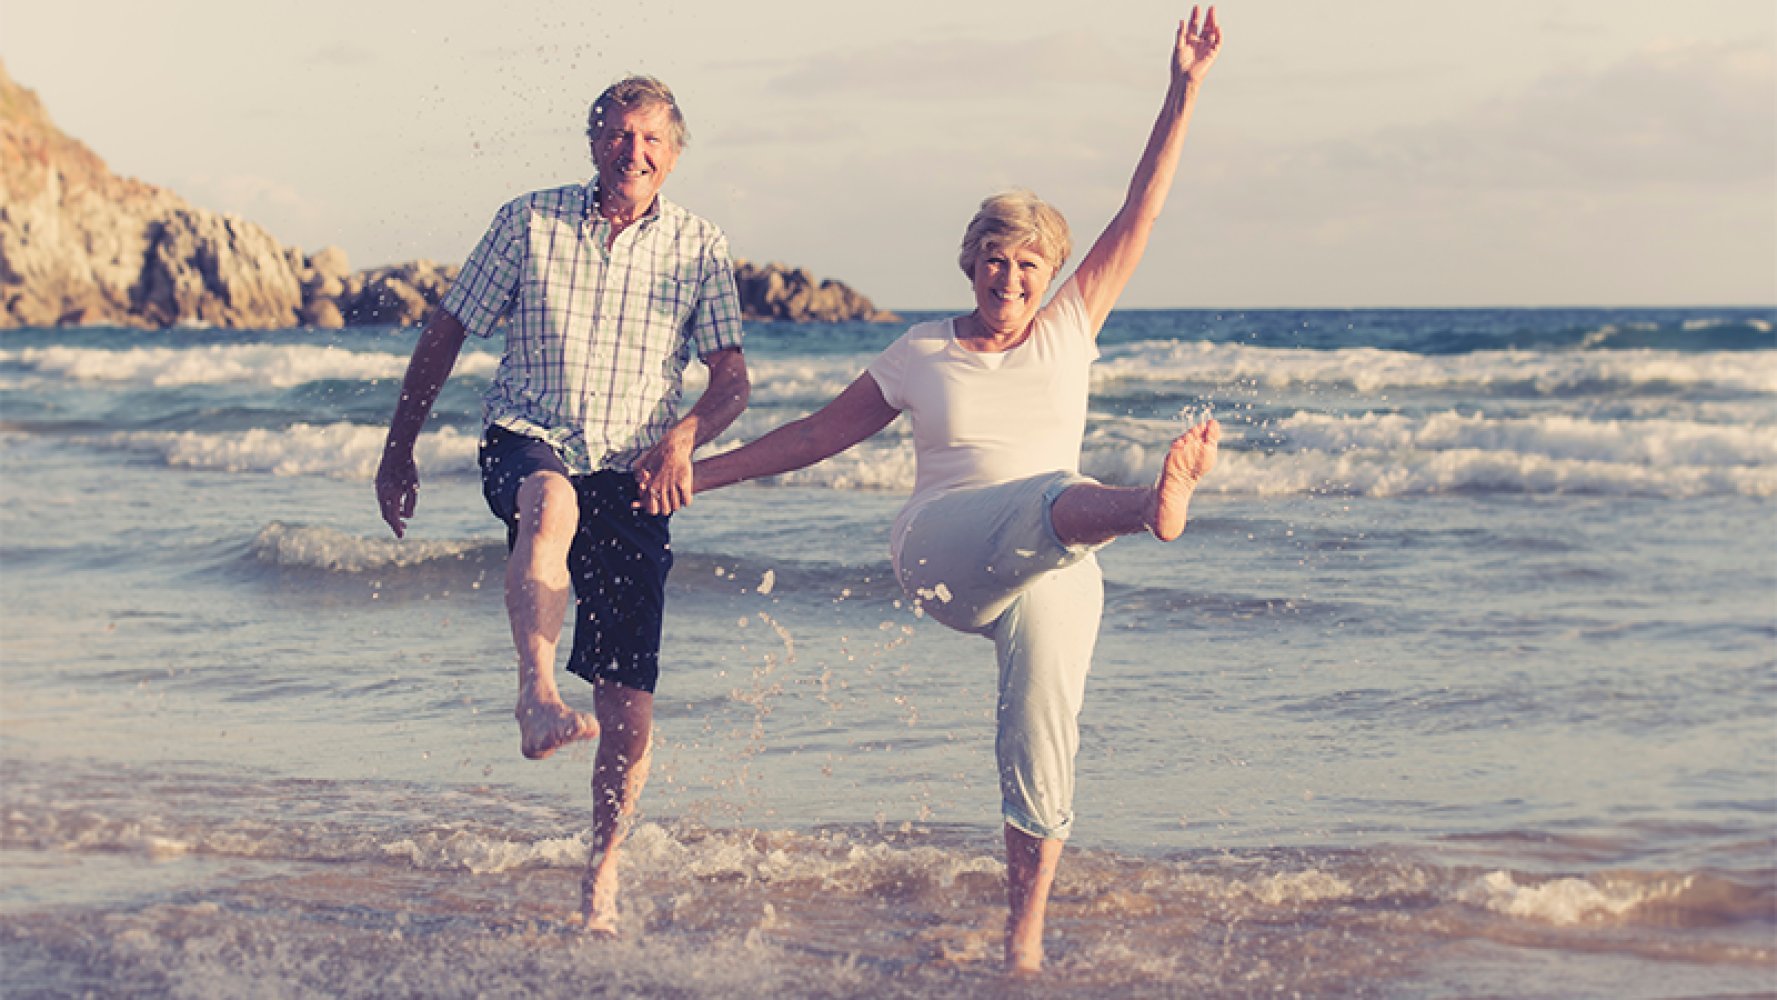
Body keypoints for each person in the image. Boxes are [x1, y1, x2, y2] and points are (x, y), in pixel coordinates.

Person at [674, 8, 1224, 973]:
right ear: (969, 262)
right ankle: (1148, 506)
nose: (1011, 276)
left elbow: (1140, 208)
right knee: (1059, 491)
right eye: (995, 258)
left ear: (1051, 274)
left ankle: (1023, 941)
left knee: (1041, 740)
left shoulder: (1068, 327)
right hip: (942, 547)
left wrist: (1183, 87)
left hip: (1060, 552)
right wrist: (696, 474)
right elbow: (815, 436)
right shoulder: (918, 351)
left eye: (1030, 263)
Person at [374, 75, 750, 935]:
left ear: (675, 153)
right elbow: (447, 329)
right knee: (548, 504)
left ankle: (602, 871)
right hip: (528, 432)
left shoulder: (699, 245)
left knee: (628, 704)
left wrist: (686, 436)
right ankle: (537, 696)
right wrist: (398, 448)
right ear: (591, 141)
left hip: (634, 467)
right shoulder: (527, 220)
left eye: (651, 139)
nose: (634, 152)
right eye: (618, 135)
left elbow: (732, 378)